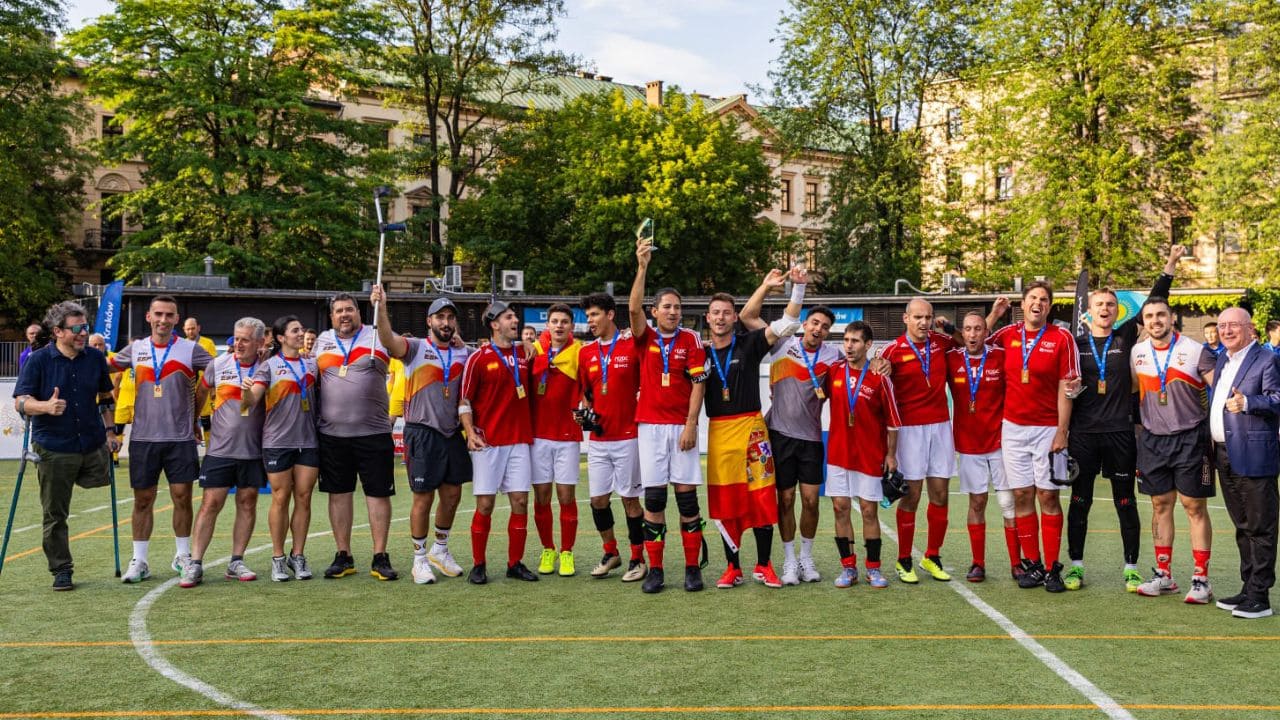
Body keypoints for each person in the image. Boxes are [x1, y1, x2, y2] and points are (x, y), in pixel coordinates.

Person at [1066, 246, 1181, 592]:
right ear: (1089, 310)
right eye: (1099, 304)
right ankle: (1075, 566)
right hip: (1083, 434)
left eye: (1111, 305)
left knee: (1125, 500)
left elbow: (1155, 298)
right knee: (1079, 501)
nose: (1105, 309)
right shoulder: (1074, 342)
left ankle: (1131, 567)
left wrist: (1170, 264)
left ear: (1118, 312)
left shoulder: (1126, 336)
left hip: (1119, 432)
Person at [703, 268, 804, 589]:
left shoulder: (749, 344)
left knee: (761, 498)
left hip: (752, 431)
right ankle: (733, 568)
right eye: (715, 313)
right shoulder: (700, 353)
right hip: (719, 435)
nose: (720, 318)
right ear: (707, 318)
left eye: (726, 313)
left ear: (735, 317)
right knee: (725, 502)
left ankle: (764, 565)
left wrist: (790, 289)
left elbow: (787, 324)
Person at [12, 302, 120, 590]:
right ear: (58, 331)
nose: (83, 333)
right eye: (76, 329)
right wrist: (44, 406)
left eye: (85, 327)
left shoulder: (95, 359)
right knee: (55, 512)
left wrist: (111, 431)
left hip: (92, 442)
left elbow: (106, 397)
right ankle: (62, 568)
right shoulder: (38, 361)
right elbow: (20, 402)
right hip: (54, 447)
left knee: (101, 482)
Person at [106, 296, 213, 582]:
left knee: (182, 497)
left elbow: (220, 370)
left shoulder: (192, 350)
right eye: (158, 314)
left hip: (180, 439)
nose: (163, 320)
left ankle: (182, 555)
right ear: (149, 318)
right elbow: (106, 367)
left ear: (177, 319)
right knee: (143, 500)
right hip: (142, 438)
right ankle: (139, 560)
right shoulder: (136, 349)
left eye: (169, 315)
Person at [370, 289, 472, 585]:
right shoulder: (414, 348)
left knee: (452, 495)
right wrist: (382, 308)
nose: (446, 322)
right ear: (430, 321)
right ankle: (418, 559)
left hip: (452, 432)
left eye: (450, 317)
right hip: (422, 432)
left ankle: (440, 549)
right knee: (423, 498)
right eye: (440, 317)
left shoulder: (463, 352)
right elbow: (388, 340)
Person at [628, 234, 709, 593]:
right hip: (650, 428)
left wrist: (691, 425)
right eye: (667, 307)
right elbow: (631, 310)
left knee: (687, 498)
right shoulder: (644, 337)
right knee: (655, 499)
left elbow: (698, 385)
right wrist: (642, 266)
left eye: (677, 307)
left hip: (681, 428)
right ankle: (656, 569)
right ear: (655, 311)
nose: (673, 312)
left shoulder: (691, 340)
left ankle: (693, 568)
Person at [988, 283, 1079, 592]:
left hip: (1047, 430)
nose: (1037, 303)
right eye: (1032, 299)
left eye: (1043, 299)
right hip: (1012, 429)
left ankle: (1053, 568)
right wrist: (993, 315)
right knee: (1022, 496)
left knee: (1048, 496)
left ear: (1049, 307)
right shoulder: (1006, 335)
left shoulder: (1061, 337)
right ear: (1022, 304)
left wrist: (1061, 432)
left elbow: (1068, 386)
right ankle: (1034, 564)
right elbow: (974, 342)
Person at [1130, 296, 1217, 604]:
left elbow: (1218, 388)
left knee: (1194, 506)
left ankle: (1200, 579)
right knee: (1159, 505)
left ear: (1171, 318)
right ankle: (1164, 575)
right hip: (1153, 439)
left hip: (1190, 437)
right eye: (1150, 316)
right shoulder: (1137, 352)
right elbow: (1132, 391)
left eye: (1161, 315)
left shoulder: (1195, 351)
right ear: (1145, 322)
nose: (1155, 320)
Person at [314, 292, 398, 581]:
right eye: (338, 311)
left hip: (373, 433)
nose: (344, 315)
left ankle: (380, 556)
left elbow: (398, 348)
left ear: (359, 313)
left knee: (377, 494)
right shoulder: (322, 341)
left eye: (349, 309)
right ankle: (343, 555)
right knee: (338, 494)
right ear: (331, 316)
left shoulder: (377, 337)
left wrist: (382, 307)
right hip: (332, 435)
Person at [756, 304, 842, 585]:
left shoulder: (834, 357)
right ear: (805, 323)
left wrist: (879, 362)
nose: (818, 329)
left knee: (811, 501)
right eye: (815, 323)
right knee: (786, 500)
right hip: (779, 435)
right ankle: (789, 560)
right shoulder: (782, 344)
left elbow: (857, 366)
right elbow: (748, 318)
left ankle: (806, 557)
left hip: (812, 439)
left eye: (825, 326)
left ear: (828, 332)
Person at [180, 318, 266, 587]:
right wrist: (195, 420)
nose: (238, 344)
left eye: (245, 339)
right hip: (220, 448)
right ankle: (195, 563)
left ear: (259, 343)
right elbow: (202, 390)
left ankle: (236, 561)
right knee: (210, 504)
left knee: (247, 502)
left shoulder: (267, 367)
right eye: (236, 338)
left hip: (253, 450)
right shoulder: (218, 364)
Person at [459, 301, 539, 584]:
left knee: (520, 501)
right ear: (494, 324)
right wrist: (470, 431)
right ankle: (478, 564)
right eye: (508, 317)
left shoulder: (525, 352)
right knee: (485, 505)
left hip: (519, 440)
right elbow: (465, 401)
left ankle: (514, 563)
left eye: (514, 316)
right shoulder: (478, 358)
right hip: (489, 441)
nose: (514, 320)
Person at [879, 298, 957, 583]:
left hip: (940, 428)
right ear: (905, 318)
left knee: (940, 494)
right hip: (909, 431)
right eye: (918, 317)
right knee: (910, 496)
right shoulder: (892, 350)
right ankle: (903, 560)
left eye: (928, 317)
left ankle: (932, 556)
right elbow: (875, 375)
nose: (924, 323)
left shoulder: (941, 341)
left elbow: (965, 340)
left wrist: (949, 326)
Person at [1209, 307, 1280, 619]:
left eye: (1233, 326)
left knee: (1261, 525)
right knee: (1242, 525)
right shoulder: (1224, 357)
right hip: (1225, 453)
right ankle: (1247, 585)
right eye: (1222, 325)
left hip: (1254, 454)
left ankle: (1260, 596)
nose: (1226, 331)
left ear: (1251, 329)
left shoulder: (1267, 358)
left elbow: (1278, 399)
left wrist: (1249, 402)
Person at [242, 315, 320, 581]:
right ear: (281, 337)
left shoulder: (312, 363)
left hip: (308, 440)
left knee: (304, 497)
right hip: (277, 442)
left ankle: (297, 556)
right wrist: (245, 392)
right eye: (295, 331)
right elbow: (250, 403)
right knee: (280, 497)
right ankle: (277, 558)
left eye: (301, 330)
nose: (301, 334)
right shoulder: (269, 367)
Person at [824, 321, 900, 589]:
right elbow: (814, 393)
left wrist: (891, 455)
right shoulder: (833, 371)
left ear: (868, 345)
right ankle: (848, 568)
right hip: (837, 454)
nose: (849, 346)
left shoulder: (880, 378)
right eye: (845, 340)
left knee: (869, 511)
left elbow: (892, 422)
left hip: (869, 455)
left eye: (855, 341)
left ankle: (873, 568)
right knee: (840, 508)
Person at [577, 293, 647, 581]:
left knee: (630, 500)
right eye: (588, 316)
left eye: (594, 315)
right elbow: (584, 394)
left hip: (629, 436)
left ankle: (637, 558)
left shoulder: (632, 344)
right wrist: (584, 412)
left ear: (609, 315)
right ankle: (611, 552)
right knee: (598, 500)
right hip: (599, 440)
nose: (590, 321)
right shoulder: (586, 352)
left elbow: (648, 383)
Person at [946, 311, 1015, 583]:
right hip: (969, 445)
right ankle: (978, 563)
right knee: (977, 502)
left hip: (1000, 443)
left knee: (1008, 504)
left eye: (978, 329)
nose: (973, 334)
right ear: (961, 334)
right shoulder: (951, 359)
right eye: (968, 330)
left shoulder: (1001, 356)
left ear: (986, 332)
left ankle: (1017, 564)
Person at [529, 304, 584, 576]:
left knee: (565, 496)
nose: (559, 326)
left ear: (571, 327)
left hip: (567, 436)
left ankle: (567, 552)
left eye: (564, 322)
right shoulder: (532, 351)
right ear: (547, 326)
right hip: (538, 436)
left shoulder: (580, 352)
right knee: (541, 497)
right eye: (555, 321)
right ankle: (548, 549)